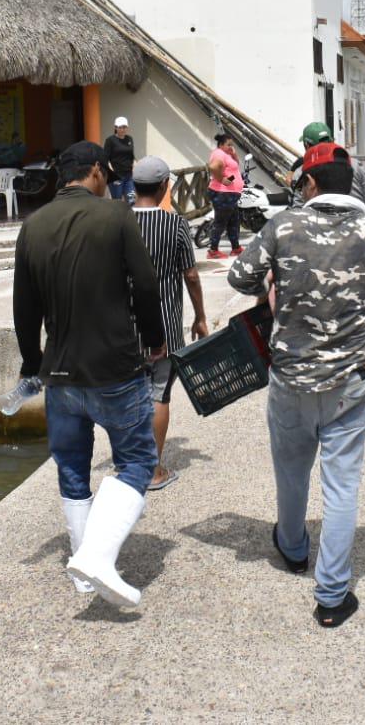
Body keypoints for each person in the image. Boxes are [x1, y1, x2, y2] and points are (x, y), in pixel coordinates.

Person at [228, 142, 365, 629]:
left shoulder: (284, 226)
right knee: (342, 485)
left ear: (311, 183)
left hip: (292, 376)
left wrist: (273, 284)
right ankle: (331, 595)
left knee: (291, 470)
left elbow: (240, 277)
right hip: (351, 379)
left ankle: (293, 547)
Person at [12, 141, 165, 608]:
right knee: (137, 462)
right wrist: (155, 339)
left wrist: (32, 363)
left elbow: (24, 308)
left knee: (72, 468)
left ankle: (82, 570)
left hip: (59, 374)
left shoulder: (33, 226)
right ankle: (97, 557)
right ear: (96, 171)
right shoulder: (116, 215)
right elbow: (145, 284)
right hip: (113, 368)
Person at [131, 155, 211, 490]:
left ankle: (131, 466)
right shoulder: (175, 224)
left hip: (125, 331)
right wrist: (200, 316)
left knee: (131, 395)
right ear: (165, 185)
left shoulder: (118, 222)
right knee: (159, 395)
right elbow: (190, 275)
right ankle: (153, 471)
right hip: (164, 328)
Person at [290, 122, 365, 216]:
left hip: (316, 224)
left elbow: (296, 211)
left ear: (307, 145)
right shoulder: (353, 164)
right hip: (357, 222)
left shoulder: (302, 172)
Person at [206, 132, 244, 260]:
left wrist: (234, 154)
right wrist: (222, 179)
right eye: (228, 145)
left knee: (234, 221)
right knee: (220, 223)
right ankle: (213, 251)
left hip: (230, 194)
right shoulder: (219, 153)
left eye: (232, 145)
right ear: (221, 145)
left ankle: (236, 248)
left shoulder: (226, 154)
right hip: (223, 194)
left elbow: (234, 170)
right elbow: (213, 167)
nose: (231, 147)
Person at [104, 118, 136, 201]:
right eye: (120, 127)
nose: (122, 129)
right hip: (116, 176)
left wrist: (135, 165)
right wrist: (112, 172)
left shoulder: (129, 139)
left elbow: (131, 155)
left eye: (124, 127)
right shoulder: (110, 140)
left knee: (131, 199)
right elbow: (105, 158)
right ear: (115, 127)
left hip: (129, 176)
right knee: (117, 201)